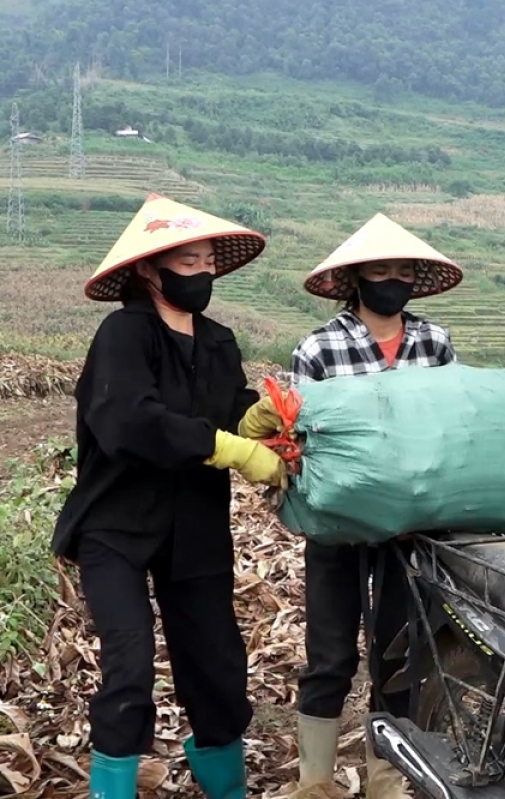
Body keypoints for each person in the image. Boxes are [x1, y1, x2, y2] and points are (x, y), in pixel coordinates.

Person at [52, 193, 286, 799]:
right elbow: (132, 420)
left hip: (195, 523)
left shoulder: (217, 339)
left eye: (208, 260)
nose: (203, 272)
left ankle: (225, 784)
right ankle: (115, 786)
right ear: (149, 271)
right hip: (117, 523)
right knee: (129, 664)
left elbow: (227, 408)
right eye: (188, 262)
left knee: (215, 663)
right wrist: (231, 449)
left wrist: (257, 420)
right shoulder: (123, 336)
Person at [239, 213, 461, 799]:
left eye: (402, 271)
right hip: (338, 526)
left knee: (398, 651)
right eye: (379, 271)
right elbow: (295, 434)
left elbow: (451, 426)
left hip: (411, 529)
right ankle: (315, 781)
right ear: (356, 279)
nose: (392, 281)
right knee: (330, 653)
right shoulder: (318, 347)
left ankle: (389, 775)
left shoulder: (434, 342)